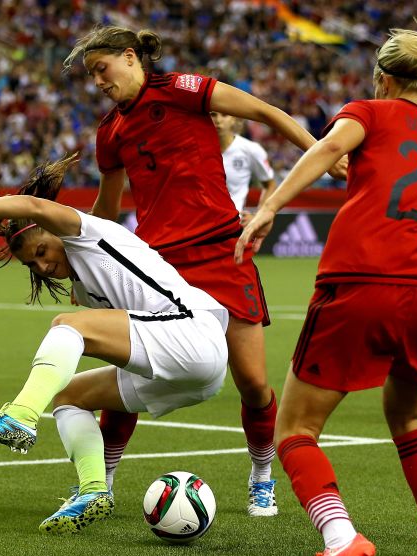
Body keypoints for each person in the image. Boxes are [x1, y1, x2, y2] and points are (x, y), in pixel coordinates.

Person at [235, 22, 417, 556]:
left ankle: (340, 538)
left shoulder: (370, 111)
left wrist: (269, 206)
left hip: (363, 278)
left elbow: (328, 147)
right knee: (408, 419)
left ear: (385, 78)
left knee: (295, 429)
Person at [63, 24, 346, 517]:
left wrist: (321, 152)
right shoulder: (109, 132)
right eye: (91, 75)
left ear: (130, 57)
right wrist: (82, 269)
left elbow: (264, 111)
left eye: (101, 69)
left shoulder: (185, 90)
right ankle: (102, 483)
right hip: (157, 267)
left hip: (221, 253)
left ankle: (261, 475)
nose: (98, 82)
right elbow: (105, 212)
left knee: (254, 383)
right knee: (131, 375)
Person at [0, 154, 230, 534]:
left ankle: (20, 416)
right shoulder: (83, 283)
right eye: (32, 264)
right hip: (193, 374)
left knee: (68, 326)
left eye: (42, 253)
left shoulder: (84, 231)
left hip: (192, 334)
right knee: (69, 397)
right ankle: (94, 489)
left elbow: (32, 206)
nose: (43, 267)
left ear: (54, 231)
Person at [210, 110, 277, 225]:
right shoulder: (194, 148)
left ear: (234, 119)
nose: (218, 120)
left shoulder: (250, 149)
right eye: (213, 114)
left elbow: (270, 184)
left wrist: (258, 217)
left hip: (232, 226)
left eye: (225, 115)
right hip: (198, 226)